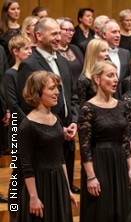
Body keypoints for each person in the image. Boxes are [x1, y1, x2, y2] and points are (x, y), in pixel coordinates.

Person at [17, 17, 80, 194]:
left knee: (63, 189)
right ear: (39, 35)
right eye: (54, 34)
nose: (59, 38)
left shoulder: (63, 61)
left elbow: (72, 95)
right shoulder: (29, 64)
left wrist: (74, 120)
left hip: (67, 132)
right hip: (45, 139)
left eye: (59, 33)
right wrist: (53, 129)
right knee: (47, 192)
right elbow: (27, 103)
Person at [78, 60, 131, 222]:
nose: (116, 79)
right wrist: (91, 177)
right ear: (97, 79)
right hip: (99, 163)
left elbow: (125, 140)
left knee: (122, 210)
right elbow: (85, 147)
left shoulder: (122, 106)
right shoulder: (88, 108)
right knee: (101, 211)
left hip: (119, 162)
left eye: (116, 75)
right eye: (110, 75)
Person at [17, 70, 77, 222]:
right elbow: (26, 165)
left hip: (57, 182)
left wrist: (67, 188)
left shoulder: (56, 119)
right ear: (37, 92)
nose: (57, 92)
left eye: (57, 88)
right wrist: (34, 197)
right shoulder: (27, 125)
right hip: (39, 184)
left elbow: (60, 156)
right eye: (51, 88)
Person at [3, 35, 32, 222]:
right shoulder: (10, 74)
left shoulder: (29, 73)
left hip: (30, 125)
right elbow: (13, 104)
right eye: (26, 49)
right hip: (17, 126)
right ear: (15, 52)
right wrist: (30, 122)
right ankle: (14, 209)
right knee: (17, 170)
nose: (30, 52)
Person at [101, 19, 131, 98]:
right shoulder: (99, 54)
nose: (118, 35)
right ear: (104, 34)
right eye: (114, 32)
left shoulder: (126, 53)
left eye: (119, 32)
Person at [77, 38, 109, 107]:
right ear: (93, 54)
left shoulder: (109, 76)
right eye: (103, 51)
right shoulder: (83, 80)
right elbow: (82, 107)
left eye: (108, 50)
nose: (107, 54)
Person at [56, 17, 84, 88]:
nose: (71, 33)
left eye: (72, 30)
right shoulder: (53, 51)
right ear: (58, 30)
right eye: (68, 30)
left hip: (80, 91)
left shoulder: (75, 48)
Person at [0, 0, 21, 66]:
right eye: (13, 9)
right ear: (6, 12)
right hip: (6, 66)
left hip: (23, 66)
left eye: (18, 8)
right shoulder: (1, 30)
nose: (16, 11)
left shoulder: (23, 29)